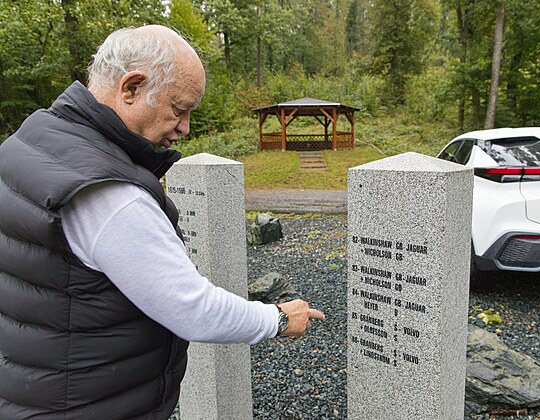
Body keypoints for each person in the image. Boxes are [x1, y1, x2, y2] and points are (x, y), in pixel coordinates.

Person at [0, 25, 324, 419]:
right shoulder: (110, 193)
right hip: (91, 403)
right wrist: (278, 318)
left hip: (34, 388)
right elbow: (191, 307)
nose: (185, 128)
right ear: (131, 88)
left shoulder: (31, 142)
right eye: (179, 109)